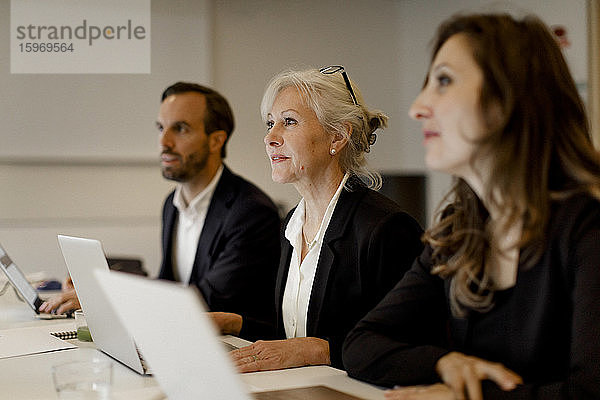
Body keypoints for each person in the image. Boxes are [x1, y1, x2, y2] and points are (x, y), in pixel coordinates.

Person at [342, 13, 600, 400]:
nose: (417, 107)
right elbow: (362, 344)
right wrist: (444, 363)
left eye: (443, 81)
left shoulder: (588, 226)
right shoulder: (459, 228)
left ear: (509, 98)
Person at [214, 67, 424, 371]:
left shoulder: (386, 228)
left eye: (288, 122)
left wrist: (322, 350)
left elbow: (410, 344)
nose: (270, 138)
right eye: (271, 123)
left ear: (337, 136)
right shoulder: (291, 223)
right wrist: (233, 322)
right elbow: (293, 339)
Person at [41, 83, 282, 337]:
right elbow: (169, 285)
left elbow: (206, 299)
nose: (164, 142)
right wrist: (101, 285)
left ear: (216, 140)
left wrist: (108, 296)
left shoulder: (251, 212)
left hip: (235, 350)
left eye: (180, 128)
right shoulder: (172, 204)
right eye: (160, 128)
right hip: (181, 337)